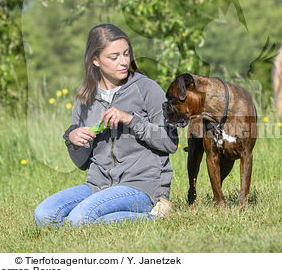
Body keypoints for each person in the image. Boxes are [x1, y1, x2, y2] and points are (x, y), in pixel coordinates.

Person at [34, 23, 179, 226]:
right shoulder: (85, 99)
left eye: (126, 54)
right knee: (44, 215)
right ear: (95, 60)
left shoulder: (147, 89)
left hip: (142, 186)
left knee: (79, 218)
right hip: (98, 186)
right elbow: (82, 163)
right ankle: (98, 221)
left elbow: (170, 142)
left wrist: (131, 120)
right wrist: (73, 140)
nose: (123, 62)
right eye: (114, 57)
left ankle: (155, 216)